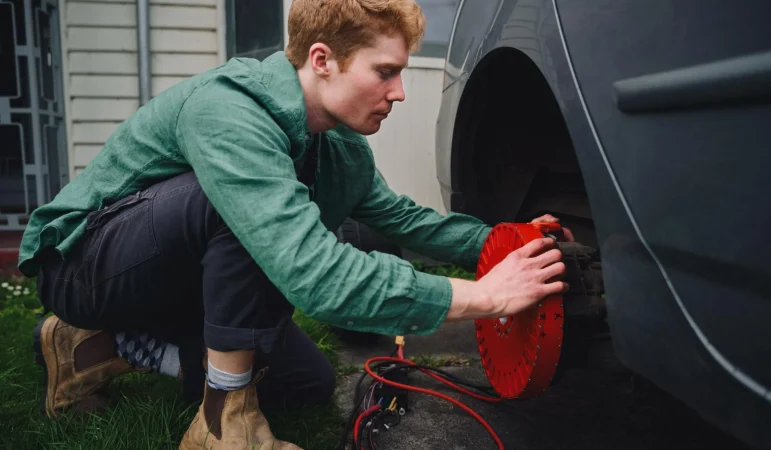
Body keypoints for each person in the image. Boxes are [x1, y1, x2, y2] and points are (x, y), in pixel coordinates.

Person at [18, 0, 571, 448]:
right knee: (242, 210)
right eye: (386, 72)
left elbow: (403, 218)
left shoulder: (341, 144)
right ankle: (221, 425)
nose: (399, 92)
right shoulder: (230, 112)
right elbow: (317, 276)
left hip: (167, 275)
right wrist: (484, 298)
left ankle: (92, 348)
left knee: (306, 383)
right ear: (323, 59)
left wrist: (506, 243)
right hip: (80, 263)